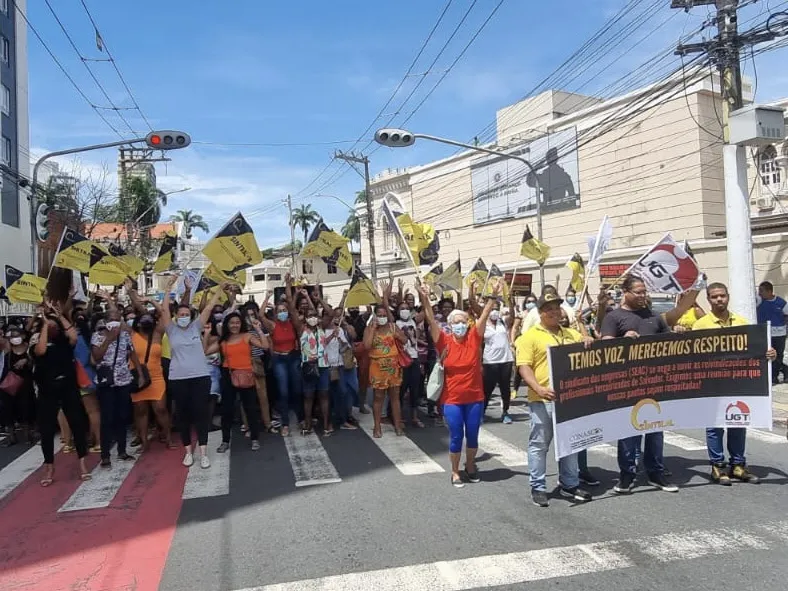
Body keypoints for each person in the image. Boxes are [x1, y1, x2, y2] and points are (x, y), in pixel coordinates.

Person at [600, 274, 697, 494]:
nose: (644, 296)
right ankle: (627, 475)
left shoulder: (655, 317)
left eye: (645, 292)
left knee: (655, 430)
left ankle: (655, 472)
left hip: (654, 383)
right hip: (626, 384)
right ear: (626, 292)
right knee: (628, 431)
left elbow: (668, 343)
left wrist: (677, 333)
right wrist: (622, 341)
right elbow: (605, 347)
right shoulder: (614, 317)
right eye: (639, 292)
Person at [694, 282, 776, 485]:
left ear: (728, 296)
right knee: (715, 426)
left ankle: (738, 465)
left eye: (722, 295)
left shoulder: (742, 322)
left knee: (738, 422)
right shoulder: (700, 325)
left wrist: (769, 354)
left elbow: (755, 349)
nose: (719, 299)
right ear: (709, 300)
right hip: (712, 385)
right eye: (714, 297)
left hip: (738, 383)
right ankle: (718, 466)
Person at [516, 293, 594, 507]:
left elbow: (589, 347)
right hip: (543, 400)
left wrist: (587, 337)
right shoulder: (529, 337)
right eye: (548, 309)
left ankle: (570, 483)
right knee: (539, 444)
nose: (554, 312)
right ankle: (538, 486)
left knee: (570, 443)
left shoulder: (570, 334)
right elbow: (524, 367)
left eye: (557, 308)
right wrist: (538, 388)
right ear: (540, 313)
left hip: (569, 400)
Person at [419, 279, 498, 488]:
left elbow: (484, 315)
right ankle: (455, 471)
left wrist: (493, 296)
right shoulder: (443, 340)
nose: (461, 325)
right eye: (457, 322)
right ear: (450, 325)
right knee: (456, 436)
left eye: (464, 321)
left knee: (472, 435)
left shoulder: (474, 337)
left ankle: (470, 465)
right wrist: (425, 298)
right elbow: (429, 318)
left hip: (475, 398)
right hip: (452, 399)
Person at [161, 274, 226, 469]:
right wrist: (168, 287)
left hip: (200, 377)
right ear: (176, 317)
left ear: (190, 316)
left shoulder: (196, 327)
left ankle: (203, 452)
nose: (183, 317)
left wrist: (219, 289)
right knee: (183, 416)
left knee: (201, 414)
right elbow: (164, 309)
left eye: (186, 314)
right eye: (180, 315)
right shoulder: (171, 330)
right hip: (178, 379)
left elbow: (207, 308)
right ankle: (188, 452)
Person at [32, 301, 91, 486]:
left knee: (78, 424)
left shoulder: (64, 343)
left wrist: (59, 316)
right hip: (47, 391)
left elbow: (72, 335)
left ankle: (82, 463)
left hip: (68, 388)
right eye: (49, 326)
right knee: (47, 430)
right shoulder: (37, 342)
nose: (52, 328)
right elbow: (40, 350)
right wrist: (44, 324)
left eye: (54, 326)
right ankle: (49, 467)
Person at [207, 311, 268, 452]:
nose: (235, 325)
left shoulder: (247, 336)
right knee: (226, 410)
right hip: (228, 375)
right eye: (232, 323)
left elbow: (265, 346)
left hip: (246, 374)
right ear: (227, 324)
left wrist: (258, 328)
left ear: (241, 324)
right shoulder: (223, 340)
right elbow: (206, 351)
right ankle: (225, 440)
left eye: (237, 322)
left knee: (250, 408)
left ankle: (254, 438)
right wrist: (207, 334)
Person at [91, 299, 141, 468]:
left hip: (123, 380)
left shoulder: (125, 335)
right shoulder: (98, 335)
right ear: (105, 321)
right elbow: (96, 356)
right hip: (106, 382)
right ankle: (105, 455)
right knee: (107, 418)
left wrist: (140, 373)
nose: (115, 321)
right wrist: (109, 339)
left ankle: (122, 450)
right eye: (111, 318)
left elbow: (132, 354)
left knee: (122, 417)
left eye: (117, 318)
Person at [125, 284, 175, 451]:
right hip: (137, 376)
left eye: (148, 319)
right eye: (142, 319)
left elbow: (162, 313)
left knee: (160, 409)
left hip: (156, 377)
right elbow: (119, 315)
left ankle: (168, 438)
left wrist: (151, 301)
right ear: (137, 324)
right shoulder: (132, 334)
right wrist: (130, 291)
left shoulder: (158, 333)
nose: (146, 320)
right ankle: (144, 442)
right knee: (140, 411)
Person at [259, 274, 304, 437]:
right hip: (279, 360)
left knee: (297, 390)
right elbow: (260, 315)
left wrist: (288, 285)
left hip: (293, 357)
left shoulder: (294, 324)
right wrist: (267, 297)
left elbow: (292, 305)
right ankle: (285, 423)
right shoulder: (272, 326)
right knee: (283, 391)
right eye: (280, 311)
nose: (283, 313)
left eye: (285, 311)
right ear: (276, 314)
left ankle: (301, 419)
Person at [364, 280, 406, 438]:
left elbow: (405, 340)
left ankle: (397, 425)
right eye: (379, 315)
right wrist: (373, 328)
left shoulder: (393, 327)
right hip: (377, 367)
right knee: (378, 397)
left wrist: (398, 335)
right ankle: (377, 426)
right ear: (375, 316)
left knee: (395, 397)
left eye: (384, 315)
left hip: (394, 366)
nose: (382, 318)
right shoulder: (370, 329)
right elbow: (367, 346)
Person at [0, 325, 35, 446]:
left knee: (26, 408)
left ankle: (27, 434)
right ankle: (11, 436)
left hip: (26, 384)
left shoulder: (29, 349)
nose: (14, 338)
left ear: (23, 336)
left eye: (16, 335)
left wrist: (26, 360)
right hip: (8, 384)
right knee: (8, 409)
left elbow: (34, 362)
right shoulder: (7, 351)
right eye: (11, 336)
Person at [482, 298, 515, 424]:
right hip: (489, 361)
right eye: (492, 308)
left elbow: (512, 316)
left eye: (496, 308)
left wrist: (510, 301)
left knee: (505, 389)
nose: (494, 311)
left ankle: (505, 412)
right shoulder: (483, 324)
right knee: (487, 389)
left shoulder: (503, 321)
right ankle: (482, 412)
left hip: (506, 360)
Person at [395, 300, 424, 428]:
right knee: (401, 390)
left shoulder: (413, 322)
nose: (405, 310)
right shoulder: (395, 324)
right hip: (402, 360)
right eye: (402, 308)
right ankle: (399, 417)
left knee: (415, 389)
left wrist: (425, 296)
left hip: (414, 359)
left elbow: (424, 312)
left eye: (407, 308)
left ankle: (414, 417)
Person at [756, 281, 787, 384]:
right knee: (767, 356)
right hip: (764, 334)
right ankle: (775, 376)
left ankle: (776, 376)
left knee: (778, 356)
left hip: (780, 334)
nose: (759, 293)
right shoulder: (759, 301)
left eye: (761, 291)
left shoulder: (781, 302)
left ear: (769, 291)